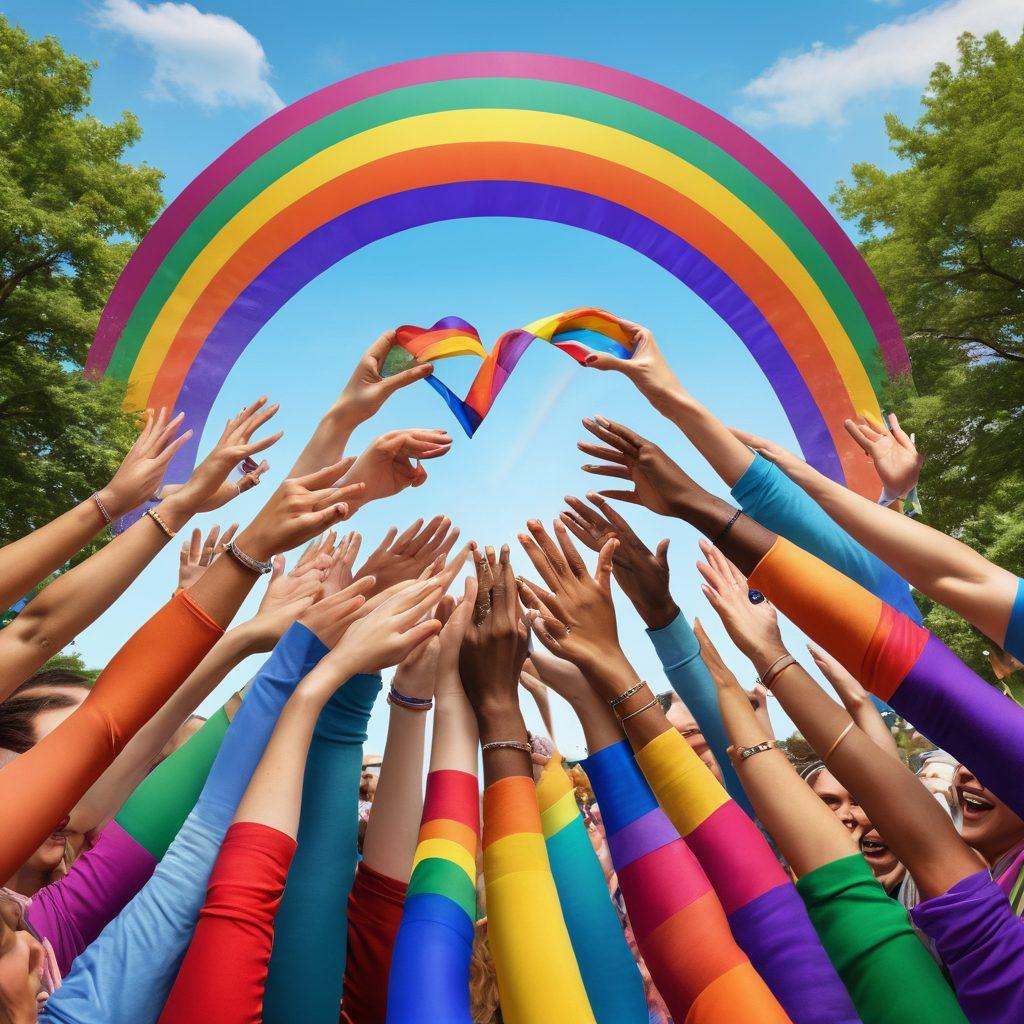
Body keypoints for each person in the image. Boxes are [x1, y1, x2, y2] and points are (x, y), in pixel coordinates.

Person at [516, 519, 856, 1024]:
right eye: (665, 747)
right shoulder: (618, 859)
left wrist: (662, 620)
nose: (682, 758)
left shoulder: (766, 829)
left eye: (699, 745)